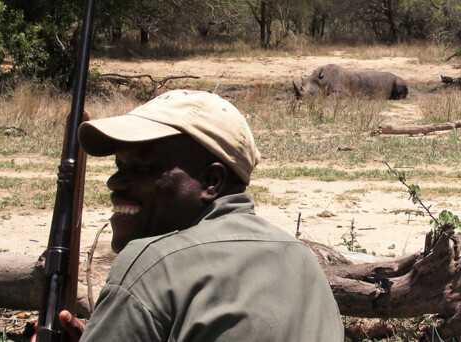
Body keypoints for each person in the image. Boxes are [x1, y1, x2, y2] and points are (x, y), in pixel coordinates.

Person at [46, 89, 343, 341]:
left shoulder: (152, 265)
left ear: (211, 181)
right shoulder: (303, 262)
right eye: (121, 167)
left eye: (144, 168)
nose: (115, 183)